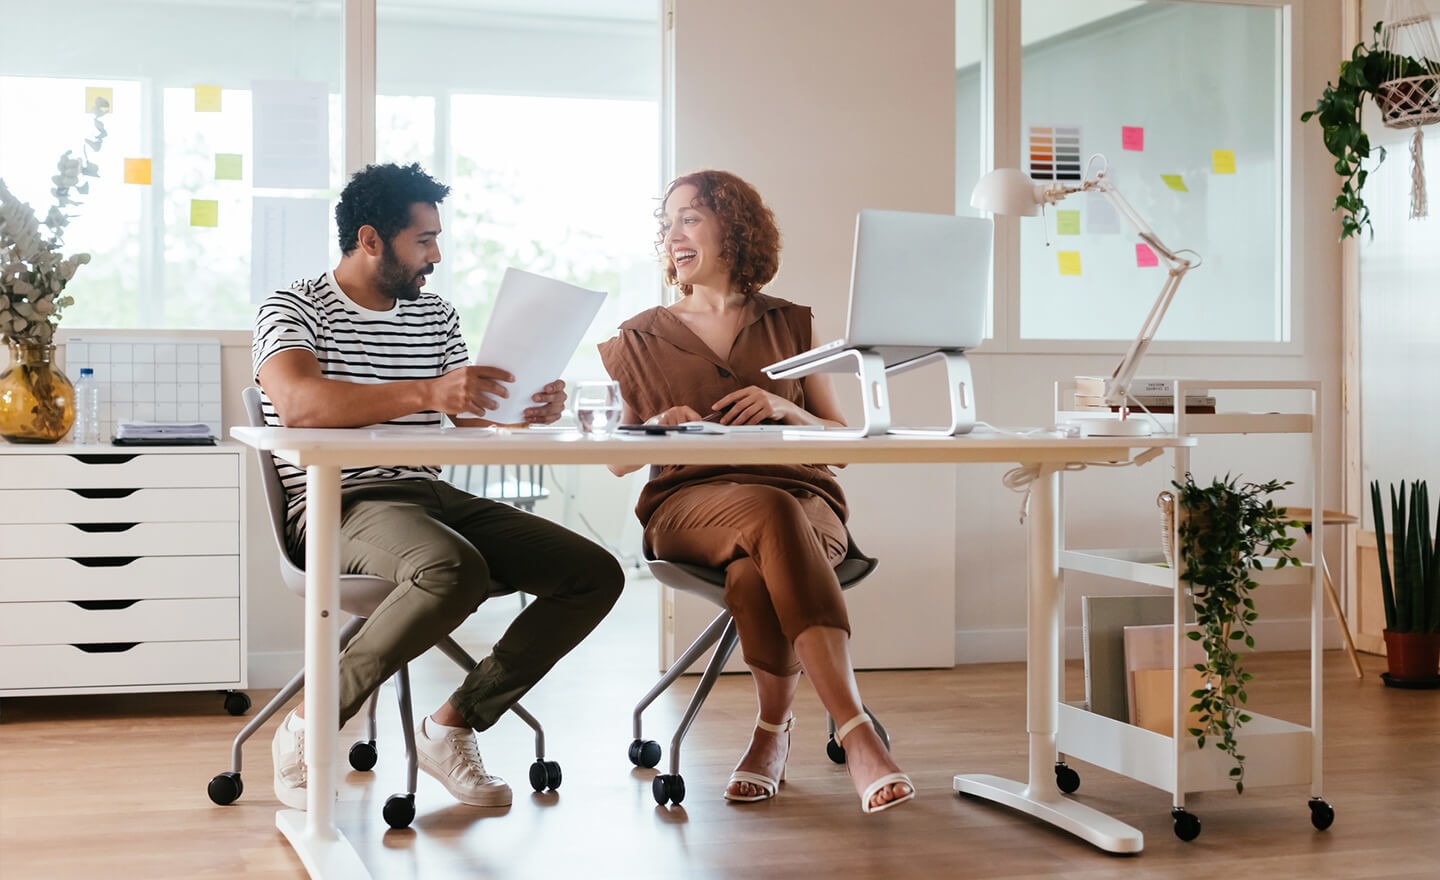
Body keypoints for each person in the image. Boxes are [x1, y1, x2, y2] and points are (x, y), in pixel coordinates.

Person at [253, 162, 624, 811]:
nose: (436, 256)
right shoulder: (293, 307)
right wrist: (426, 391)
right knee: (453, 569)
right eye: (423, 241)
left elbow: (466, 411)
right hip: (340, 501)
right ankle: (309, 725)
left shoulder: (434, 317)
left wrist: (525, 407)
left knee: (593, 572)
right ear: (371, 239)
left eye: (436, 239)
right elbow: (300, 405)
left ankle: (450, 727)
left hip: (430, 497)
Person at [597, 170, 914, 814]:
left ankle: (770, 734)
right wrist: (656, 428)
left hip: (803, 501)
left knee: (751, 572)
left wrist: (787, 408)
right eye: (668, 222)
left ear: (732, 229)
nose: (674, 232)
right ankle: (856, 733)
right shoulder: (637, 335)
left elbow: (841, 439)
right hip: (690, 507)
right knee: (767, 513)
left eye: (690, 217)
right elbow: (613, 462)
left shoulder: (792, 324)